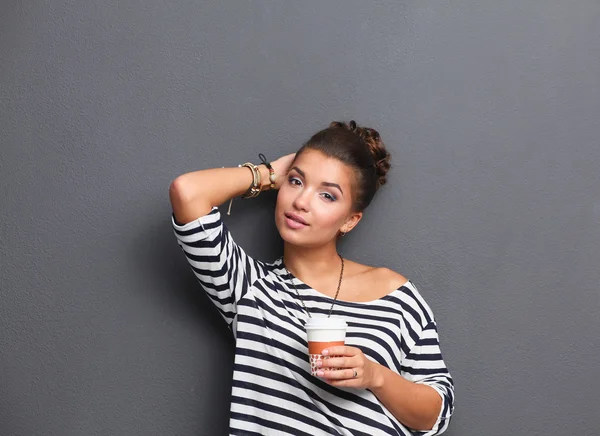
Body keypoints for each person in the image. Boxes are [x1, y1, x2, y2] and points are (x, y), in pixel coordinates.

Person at [169, 121, 455, 435]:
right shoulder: (249, 289)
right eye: (296, 182)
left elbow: (435, 415)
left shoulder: (396, 293)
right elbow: (187, 193)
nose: (301, 202)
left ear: (350, 220)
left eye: (327, 196)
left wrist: (376, 376)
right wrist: (269, 174)